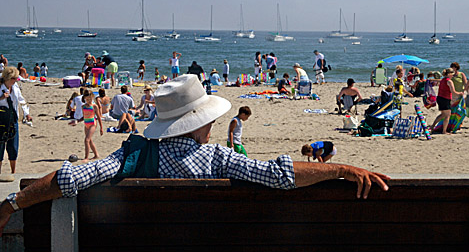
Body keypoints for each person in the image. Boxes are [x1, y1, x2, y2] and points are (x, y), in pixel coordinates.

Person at [0, 75, 390, 234]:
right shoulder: (218, 159)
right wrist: (340, 169)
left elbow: (69, 179)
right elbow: (278, 175)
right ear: (202, 122)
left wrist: (11, 204)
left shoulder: (129, 156)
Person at [0, 67, 32, 175]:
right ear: (8, 78)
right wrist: (1, 98)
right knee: (0, 147)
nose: (15, 80)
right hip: (1, 121)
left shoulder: (15, 87)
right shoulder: (0, 87)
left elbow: (21, 101)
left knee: (13, 147)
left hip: (13, 120)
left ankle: (13, 171)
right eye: (14, 78)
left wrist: (27, 114)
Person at [429, 68, 464, 134]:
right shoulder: (449, 81)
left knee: (443, 114)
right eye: (452, 74)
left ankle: (432, 126)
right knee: (447, 115)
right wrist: (460, 93)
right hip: (445, 99)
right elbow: (453, 92)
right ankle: (444, 131)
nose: (453, 75)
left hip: (440, 98)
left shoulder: (442, 80)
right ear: (449, 74)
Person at [80, 89, 103, 161]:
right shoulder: (83, 107)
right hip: (86, 124)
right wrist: (77, 121)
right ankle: (96, 155)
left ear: (92, 97)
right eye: (87, 99)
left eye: (90, 99)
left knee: (86, 140)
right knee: (89, 140)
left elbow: (99, 117)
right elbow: (83, 117)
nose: (89, 100)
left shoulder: (94, 106)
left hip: (93, 124)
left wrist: (101, 128)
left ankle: (86, 157)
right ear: (84, 99)